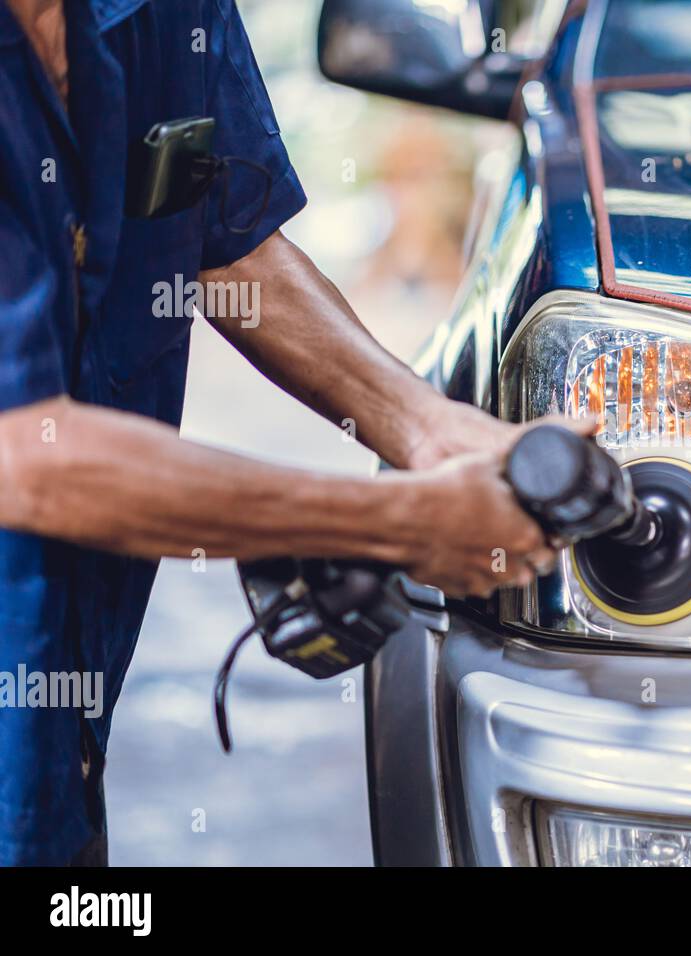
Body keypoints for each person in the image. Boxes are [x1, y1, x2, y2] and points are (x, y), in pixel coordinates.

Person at [0, 0, 576, 866]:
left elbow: (225, 242)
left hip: (56, 733)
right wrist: (396, 522)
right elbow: (29, 459)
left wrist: (429, 429)